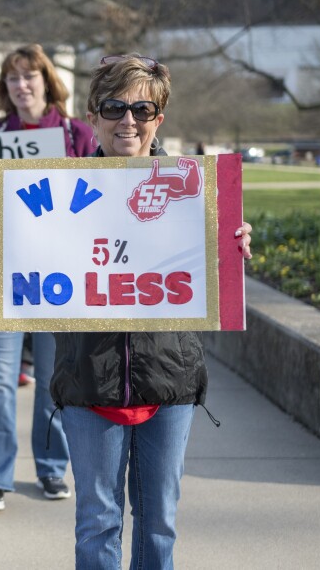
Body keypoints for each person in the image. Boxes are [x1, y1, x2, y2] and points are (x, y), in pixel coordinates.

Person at [49, 53, 253, 568]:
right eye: (115, 107)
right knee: (97, 520)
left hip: (169, 376)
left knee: (159, 522)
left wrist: (232, 245)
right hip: (89, 377)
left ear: (159, 118)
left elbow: (211, 273)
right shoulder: (52, 194)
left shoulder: (195, 191)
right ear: (92, 115)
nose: (128, 121)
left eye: (142, 109)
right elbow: (14, 268)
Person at [0, 43, 93, 513]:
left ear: (47, 80)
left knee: (52, 380)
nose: (21, 85)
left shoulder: (77, 135)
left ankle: (53, 468)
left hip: (60, 277)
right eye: (13, 78)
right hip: (3, 278)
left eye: (30, 76)